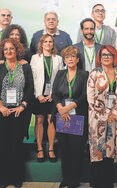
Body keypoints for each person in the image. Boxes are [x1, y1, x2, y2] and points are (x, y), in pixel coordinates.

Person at [87, 45, 117, 188]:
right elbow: (90, 98)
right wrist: (105, 115)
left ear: (114, 57)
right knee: (98, 150)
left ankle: (107, 182)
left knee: (110, 151)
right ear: (100, 57)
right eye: (103, 54)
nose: (106, 57)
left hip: (115, 120)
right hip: (97, 119)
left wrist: (115, 113)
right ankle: (97, 182)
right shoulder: (94, 73)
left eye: (109, 55)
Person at [52, 46, 88, 188]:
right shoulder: (60, 74)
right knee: (64, 148)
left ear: (78, 59)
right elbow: (54, 94)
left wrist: (69, 107)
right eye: (67, 57)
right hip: (62, 116)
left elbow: (85, 95)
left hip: (77, 116)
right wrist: (61, 108)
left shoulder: (84, 74)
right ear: (64, 60)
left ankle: (74, 180)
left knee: (76, 150)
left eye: (73, 57)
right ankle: (66, 178)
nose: (70, 59)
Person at [0, 38, 34, 187]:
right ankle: (3, 178)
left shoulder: (25, 67)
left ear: (17, 50)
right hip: (3, 112)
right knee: (3, 145)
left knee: (16, 145)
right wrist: (1, 107)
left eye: (11, 49)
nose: (8, 51)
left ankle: (16, 178)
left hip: (19, 112)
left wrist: (23, 106)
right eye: (6, 49)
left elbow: (30, 89)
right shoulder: (0, 67)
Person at [30, 34, 63, 162]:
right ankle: (39, 148)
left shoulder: (58, 59)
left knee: (51, 120)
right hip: (38, 95)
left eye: (50, 41)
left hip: (52, 96)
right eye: (46, 41)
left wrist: (52, 94)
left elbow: (60, 79)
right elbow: (32, 78)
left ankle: (51, 148)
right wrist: (38, 94)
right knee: (39, 120)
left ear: (53, 44)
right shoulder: (34, 58)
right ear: (41, 43)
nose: (48, 44)